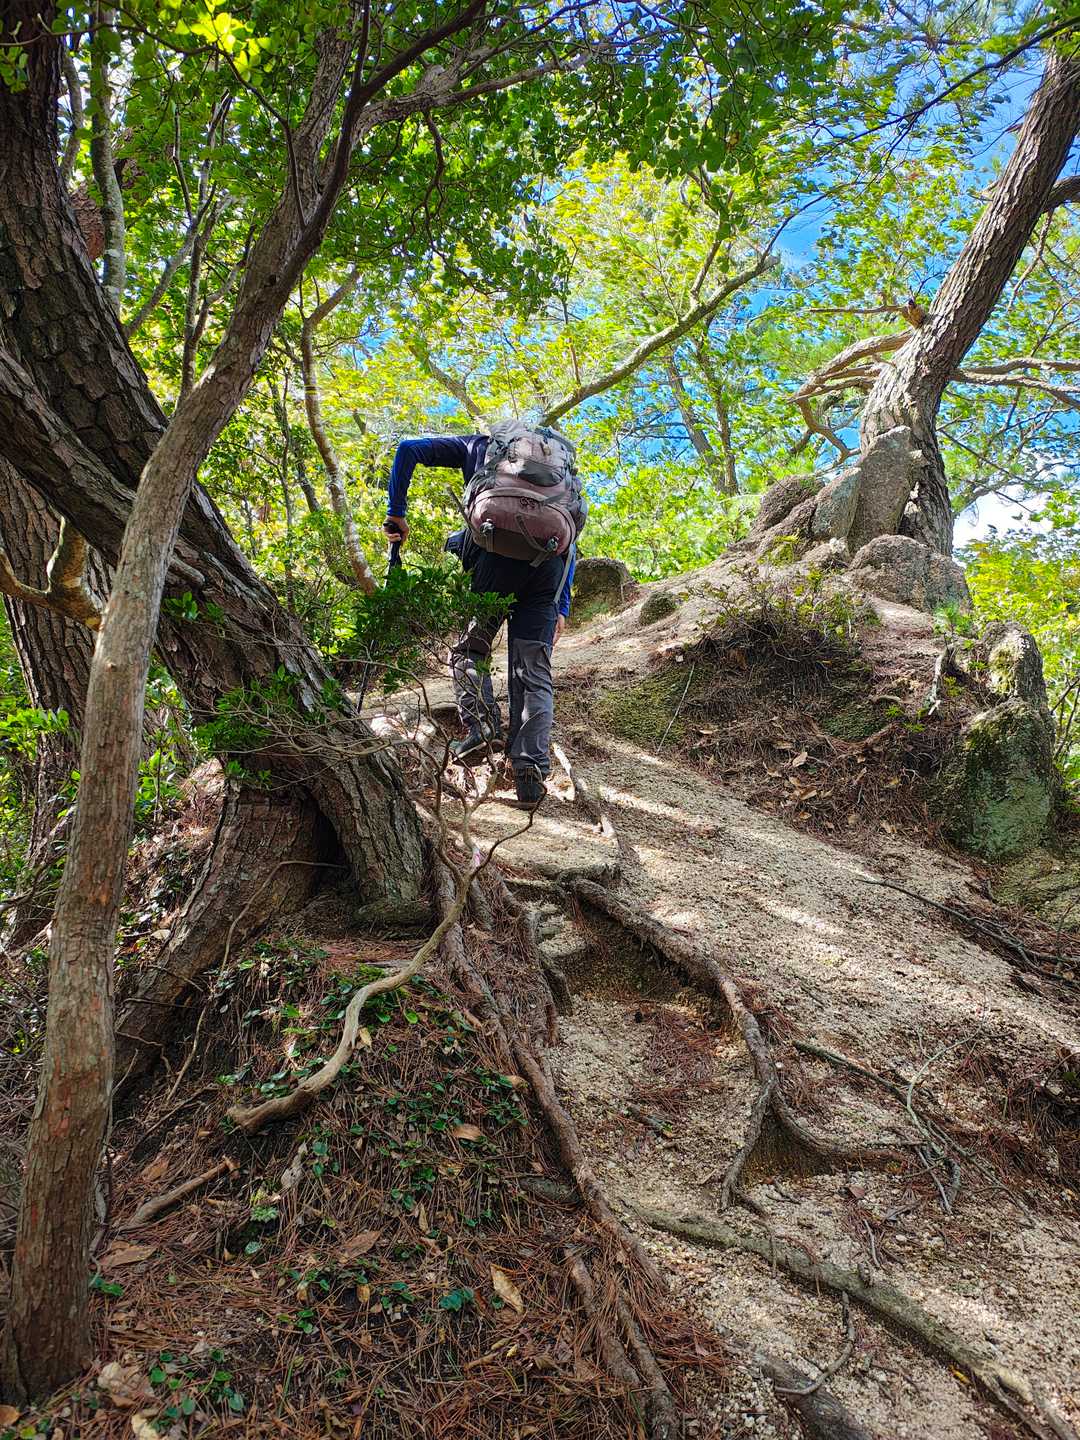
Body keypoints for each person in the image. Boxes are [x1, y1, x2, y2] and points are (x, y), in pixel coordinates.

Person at [384, 428, 579, 805]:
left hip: (492, 558)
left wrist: (397, 513)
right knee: (533, 668)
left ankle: (483, 726)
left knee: (469, 650)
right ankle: (529, 775)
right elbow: (571, 539)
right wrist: (563, 605)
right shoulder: (561, 472)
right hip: (547, 570)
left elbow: (407, 449)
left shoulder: (478, 445)